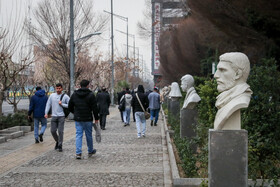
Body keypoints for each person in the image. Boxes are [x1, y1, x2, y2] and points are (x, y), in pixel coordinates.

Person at [213, 52, 252, 130]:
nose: (215, 75)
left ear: (238, 74)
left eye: (222, 70)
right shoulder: (225, 98)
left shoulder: (240, 100)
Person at [68, 80, 99, 159]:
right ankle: (90, 150)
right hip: (88, 118)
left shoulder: (74, 94)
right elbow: (94, 108)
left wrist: (75, 112)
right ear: (88, 85)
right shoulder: (91, 95)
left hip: (78, 118)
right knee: (89, 135)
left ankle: (78, 153)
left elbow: (69, 106)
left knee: (78, 135)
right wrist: (96, 118)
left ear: (80, 86)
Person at [44, 83, 69, 152]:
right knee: (53, 131)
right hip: (54, 116)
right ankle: (57, 141)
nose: (58, 90)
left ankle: (60, 145)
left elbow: (70, 105)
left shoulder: (65, 96)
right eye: (57, 88)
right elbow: (48, 104)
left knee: (60, 131)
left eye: (59, 88)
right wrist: (46, 113)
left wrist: (62, 104)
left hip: (61, 116)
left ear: (62, 89)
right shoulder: (52, 95)